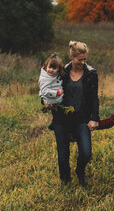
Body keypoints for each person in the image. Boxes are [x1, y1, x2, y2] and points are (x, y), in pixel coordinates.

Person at [43, 41, 100, 186]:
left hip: (82, 119)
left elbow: (94, 97)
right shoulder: (61, 72)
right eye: (79, 59)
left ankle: (80, 171)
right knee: (63, 156)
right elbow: (46, 87)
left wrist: (95, 118)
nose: (82, 62)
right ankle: (65, 180)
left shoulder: (91, 73)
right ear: (71, 56)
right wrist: (44, 101)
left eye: (84, 59)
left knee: (86, 153)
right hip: (61, 119)